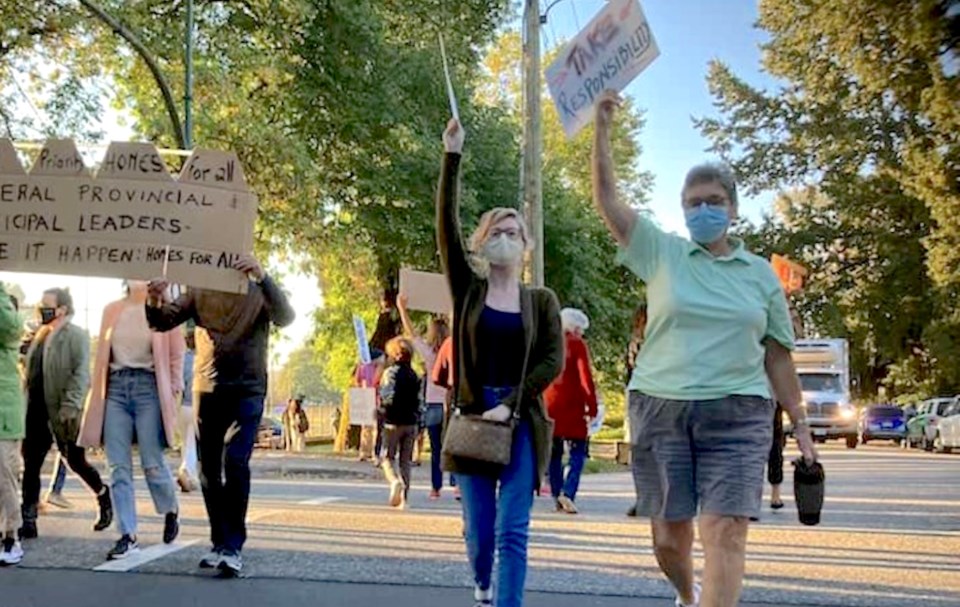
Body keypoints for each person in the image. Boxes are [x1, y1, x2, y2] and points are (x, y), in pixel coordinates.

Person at [592, 91, 818, 607]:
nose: (703, 209)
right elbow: (608, 201)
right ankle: (688, 594)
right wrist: (602, 128)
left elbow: (778, 357)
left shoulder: (760, 274)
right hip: (660, 407)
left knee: (726, 529)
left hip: (738, 413)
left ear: (733, 208)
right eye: (693, 202)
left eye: (714, 200)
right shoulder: (662, 251)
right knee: (669, 540)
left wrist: (802, 428)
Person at [438, 118, 564, 607]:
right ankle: (482, 581)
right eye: (497, 232)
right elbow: (445, 230)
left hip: (520, 421)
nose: (506, 239)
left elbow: (551, 360)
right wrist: (452, 156)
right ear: (483, 242)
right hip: (472, 418)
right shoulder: (469, 292)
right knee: (480, 533)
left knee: (514, 529)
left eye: (515, 233)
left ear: (526, 245)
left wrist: (511, 404)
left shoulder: (542, 301)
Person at [146, 255, 294, 575]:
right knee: (208, 469)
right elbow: (162, 321)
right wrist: (154, 298)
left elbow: (286, 316)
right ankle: (219, 542)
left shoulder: (258, 289)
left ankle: (233, 546)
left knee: (236, 461)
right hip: (208, 387)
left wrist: (262, 276)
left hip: (248, 387)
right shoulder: (200, 287)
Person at [78, 280, 184, 560]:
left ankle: (170, 508)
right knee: (117, 467)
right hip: (115, 388)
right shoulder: (112, 310)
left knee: (152, 462)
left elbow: (176, 355)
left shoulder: (166, 311)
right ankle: (127, 534)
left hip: (148, 387)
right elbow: (101, 355)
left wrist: (174, 389)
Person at [21, 288, 112, 539]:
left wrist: (71, 405)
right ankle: (28, 517)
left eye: (47, 305)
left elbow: (81, 373)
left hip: (63, 411)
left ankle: (104, 495)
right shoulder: (38, 336)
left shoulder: (76, 336)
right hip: (36, 409)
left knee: (75, 461)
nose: (42, 309)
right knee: (31, 464)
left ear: (62, 309)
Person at [544, 308, 598, 515]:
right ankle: (568, 491)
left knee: (554, 454)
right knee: (577, 453)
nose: (582, 334)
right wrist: (591, 406)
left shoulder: (547, 343)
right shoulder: (577, 345)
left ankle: (557, 494)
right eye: (581, 330)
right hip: (572, 407)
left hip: (549, 406)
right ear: (574, 328)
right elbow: (585, 378)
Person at [397, 295, 451, 499]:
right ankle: (456, 484)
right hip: (451, 403)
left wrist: (402, 309)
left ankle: (436, 488)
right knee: (454, 446)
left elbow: (411, 334)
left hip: (432, 404)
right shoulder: (454, 350)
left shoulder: (428, 353)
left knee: (436, 449)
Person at [378, 337, 422, 509]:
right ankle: (405, 498)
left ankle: (394, 481)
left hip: (392, 421)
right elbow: (419, 400)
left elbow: (386, 396)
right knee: (405, 461)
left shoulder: (389, 374)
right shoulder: (414, 375)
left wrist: (383, 411)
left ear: (394, 355)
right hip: (411, 422)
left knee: (386, 457)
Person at [0, 287, 25, 564]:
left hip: (3, 412)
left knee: (4, 475)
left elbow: (9, 327)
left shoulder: (6, 316)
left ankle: (11, 536)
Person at [625, 303, 647, 518]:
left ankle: (646, 498)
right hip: (643, 393)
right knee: (643, 450)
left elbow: (628, 371)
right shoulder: (638, 342)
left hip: (641, 393)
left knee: (643, 449)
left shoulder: (636, 342)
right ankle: (645, 498)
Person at [431, 335, 459, 499]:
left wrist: (449, 385)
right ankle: (460, 484)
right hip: (489, 394)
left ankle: (444, 486)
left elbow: (437, 376)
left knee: (453, 439)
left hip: (457, 393)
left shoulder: (451, 342)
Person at [178, 325, 199, 493]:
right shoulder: (203, 359)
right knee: (193, 443)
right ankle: (186, 470)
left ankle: (190, 478)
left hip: (182, 407)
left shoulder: (181, 360)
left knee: (186, 442)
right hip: (198, 406)